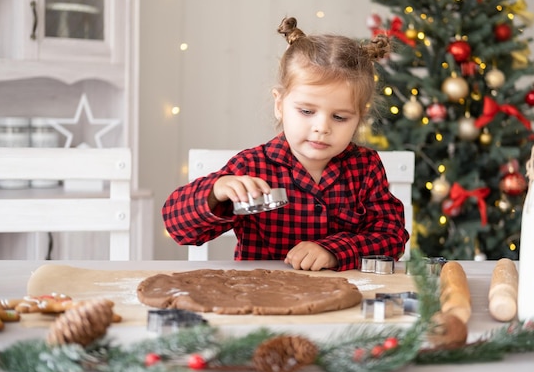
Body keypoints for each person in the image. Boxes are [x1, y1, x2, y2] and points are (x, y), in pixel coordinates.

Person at [162, 16, 409, 271]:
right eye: (306, 111)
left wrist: (333, 251)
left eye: (339, 117)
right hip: (261, 298)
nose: (322, 127)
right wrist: (216, 191)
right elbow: (178, 227)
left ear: (359, 118)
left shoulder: (365, 167)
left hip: (345, 297)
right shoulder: (251, 166)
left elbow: (391, 238)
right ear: (280, 105)